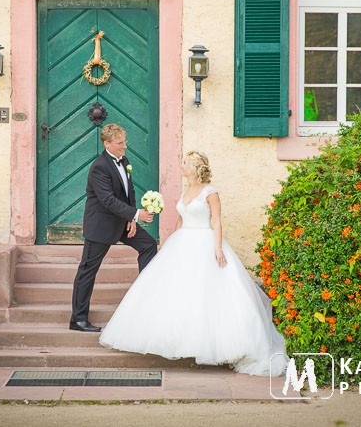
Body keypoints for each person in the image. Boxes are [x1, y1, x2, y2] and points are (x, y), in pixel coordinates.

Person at [99, 151, 289, 376]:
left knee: (205, 294)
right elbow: (181, 219)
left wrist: (218, 248)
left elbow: (216, 221)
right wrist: (169, 244)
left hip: (205, 242)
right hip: (182, 242)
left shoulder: (210, 192)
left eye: (185, 163)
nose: (181, 166)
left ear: (196, 168)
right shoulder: (186, 191)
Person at [70, 123, 157, 332]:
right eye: (119, 143)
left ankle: (144, 299)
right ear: (106, 144)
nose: (124, 146)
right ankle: (78, 320)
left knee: (148, 245)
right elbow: (107, 200)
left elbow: (129, 192)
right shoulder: (99, 167)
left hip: (123, 222)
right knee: (88, 270)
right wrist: (137, 213)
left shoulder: (124, 160)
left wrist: (131, 219)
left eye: (124, 142)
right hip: (100, 226)